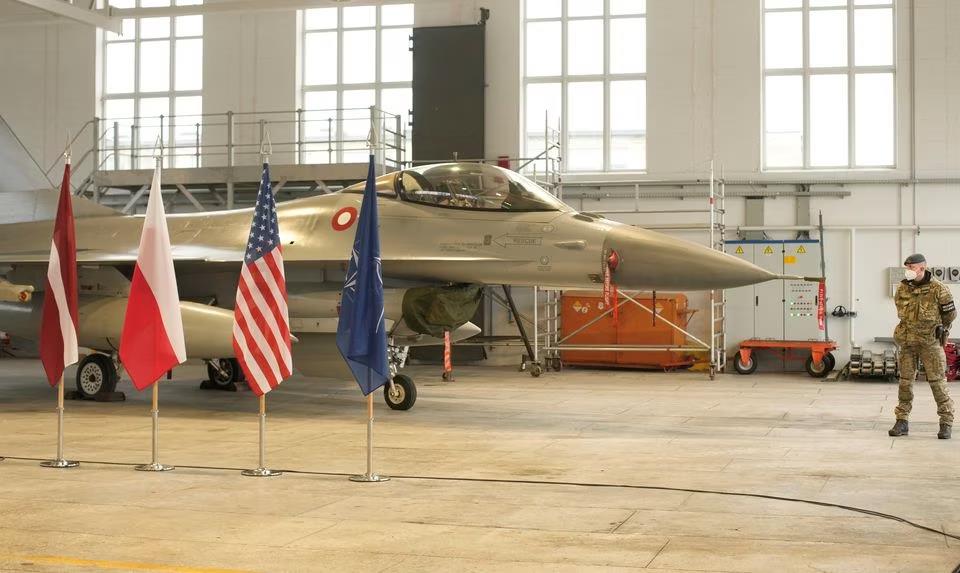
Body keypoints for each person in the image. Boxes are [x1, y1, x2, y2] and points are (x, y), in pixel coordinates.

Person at [889, 253, 956, 439]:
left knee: (937, 382)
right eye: (907, 267)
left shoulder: (938, 288)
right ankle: (902, 421)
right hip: (908, 342)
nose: (908, 270)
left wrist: (941, 328)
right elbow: (900, 311)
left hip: (930, 343)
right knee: (905, 382)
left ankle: (946, 422)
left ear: (922, 268)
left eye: (911, 267)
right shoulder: (903, 288)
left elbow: (950, 314)